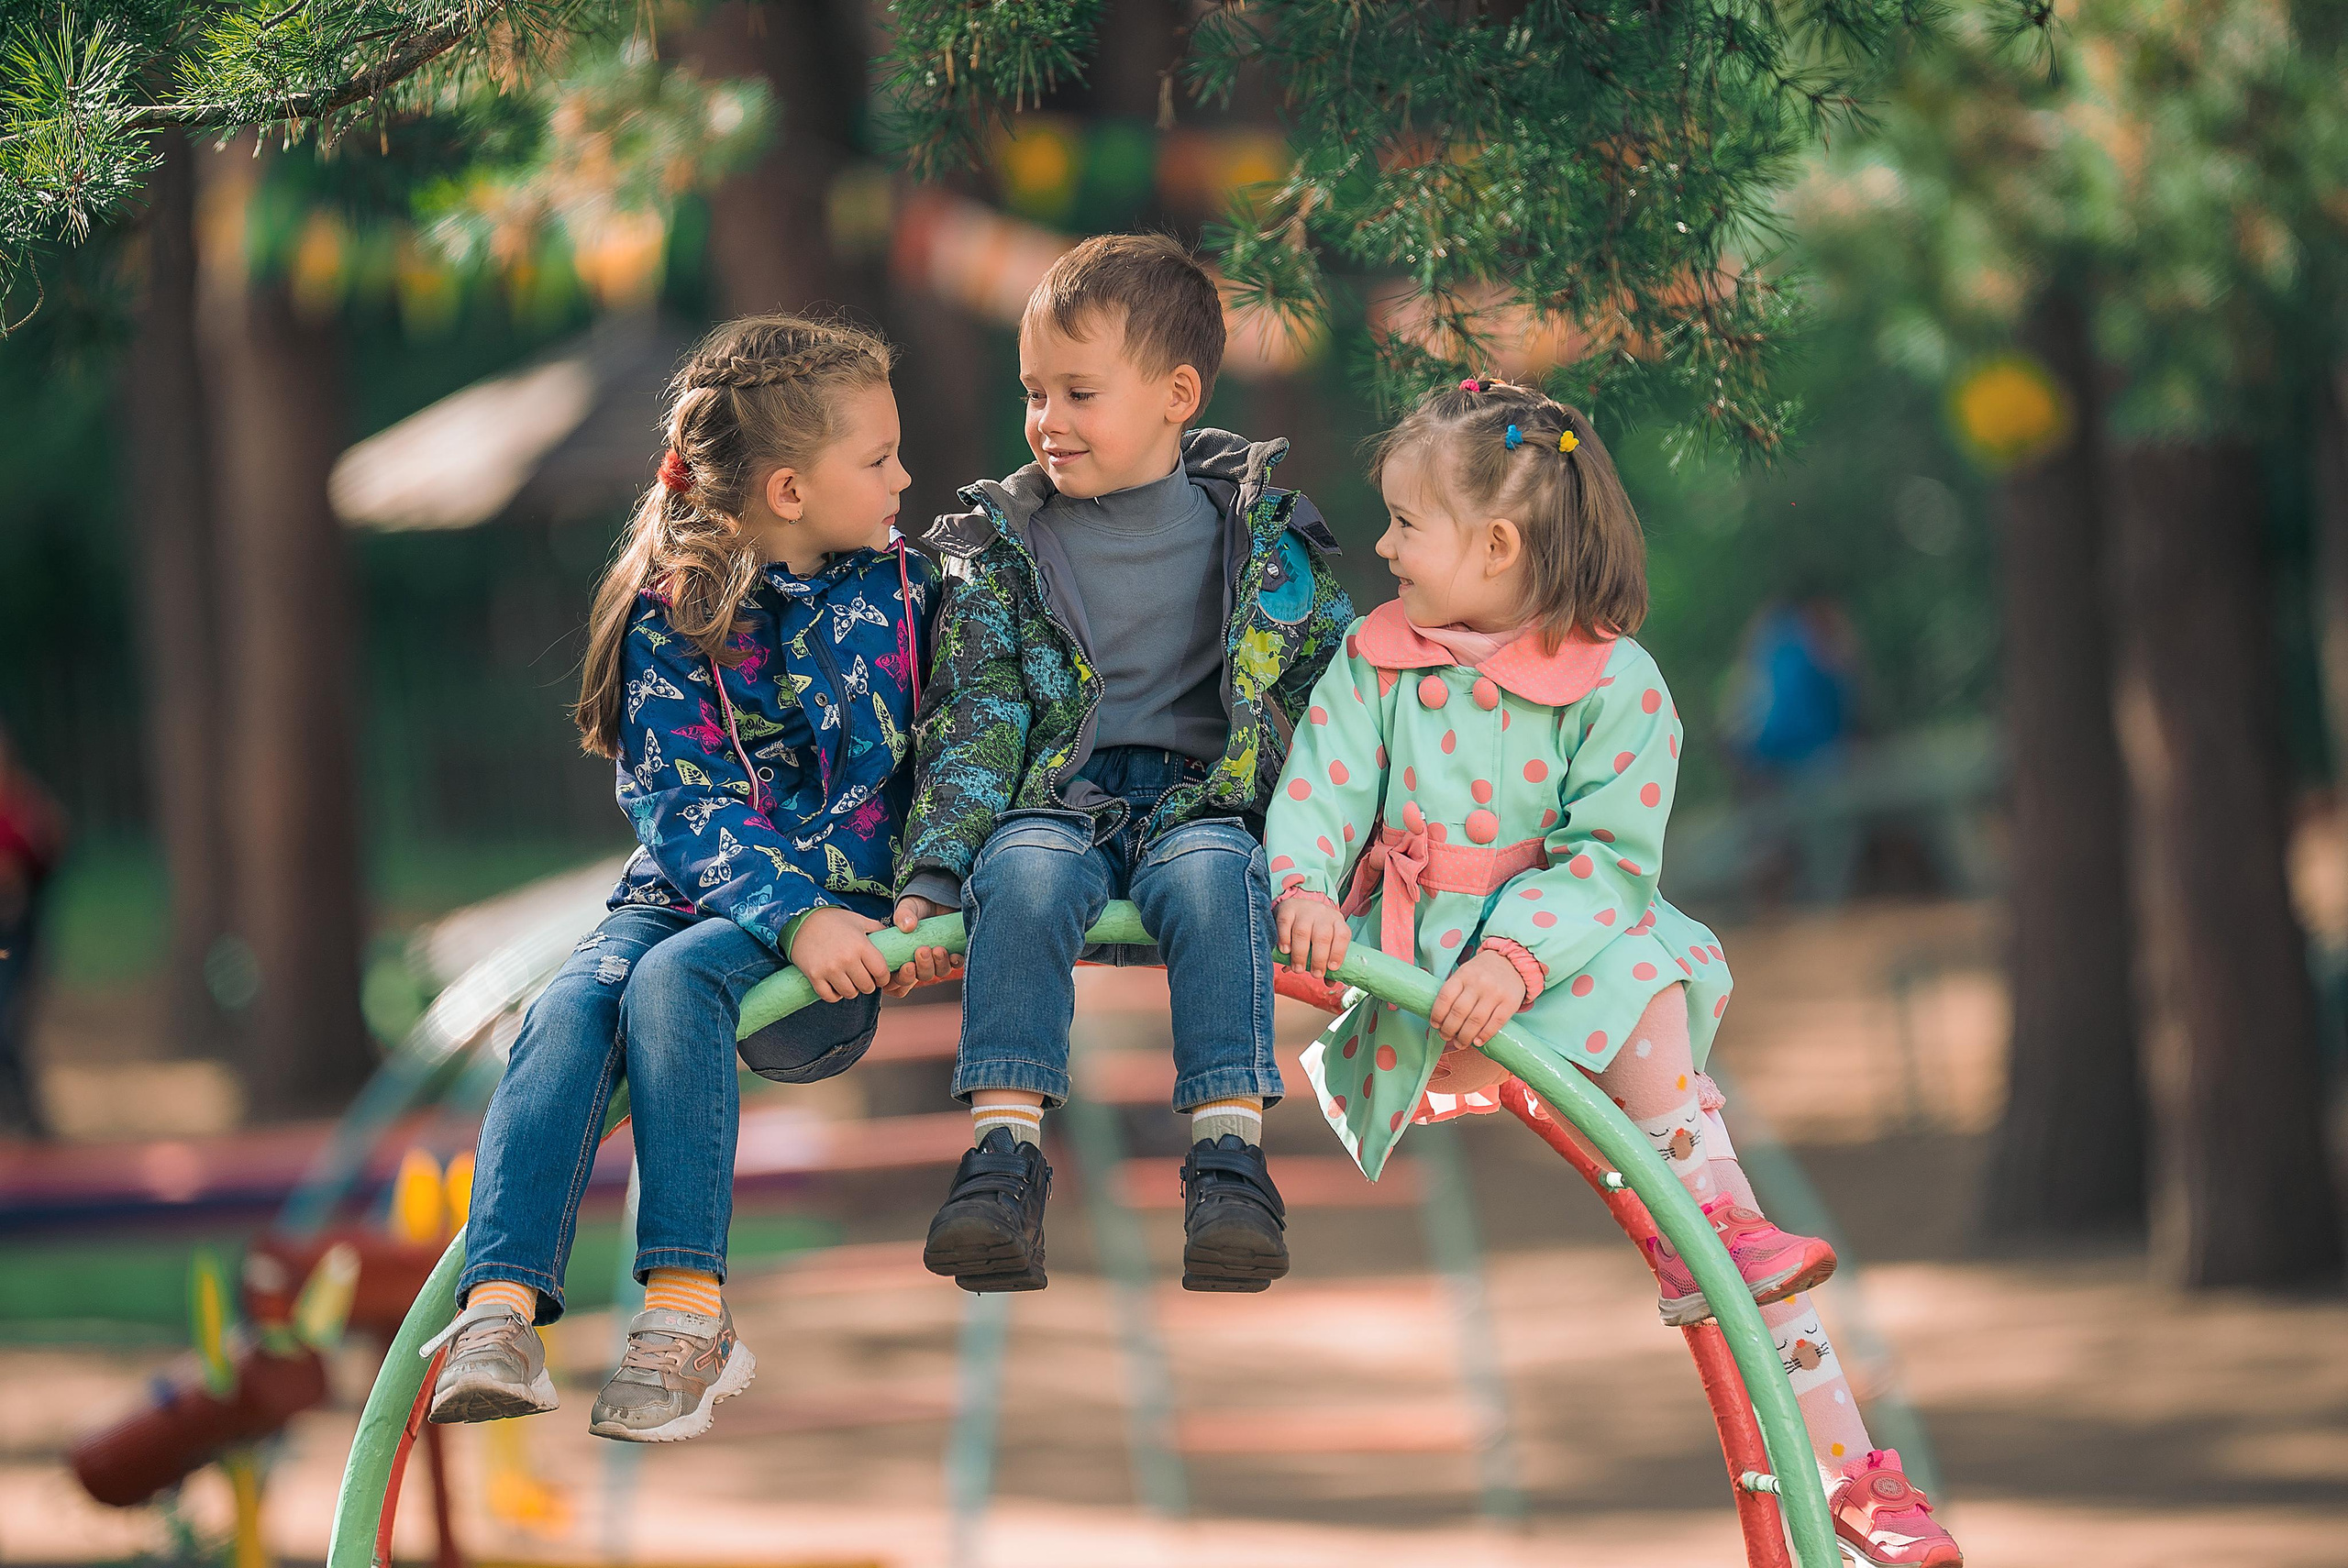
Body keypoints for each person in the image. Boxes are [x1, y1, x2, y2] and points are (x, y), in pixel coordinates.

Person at [1266, 379, 1962, 1566]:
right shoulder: (1376, 664)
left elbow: (1609, 863)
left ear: (1497, 543)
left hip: (1560, 970)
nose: (1378, 545)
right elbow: (1324, 787)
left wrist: (1514, 954)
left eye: (1402, 522)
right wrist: (1299, 887)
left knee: (1656, 988)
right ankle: (1713, 1226)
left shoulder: (1619, 685)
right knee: (1689, 1132)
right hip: (1414, 966)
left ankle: (1843, 1460)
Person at [424, 315, 953, 1443]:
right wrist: (789, 911)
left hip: (833, 926)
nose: (904, 477)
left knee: (672, 987)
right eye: (878, 459)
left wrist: (916, 899)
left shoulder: (918, 596)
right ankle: (499, 1310)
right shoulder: (676, 609)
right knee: (567, 1003)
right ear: (787, 489)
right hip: (695, 895)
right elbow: (677, 798)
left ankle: (686, 1312)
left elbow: (971, 749)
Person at [890, 234, 1352, 1295]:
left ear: (1175, 394)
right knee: (1026, 873)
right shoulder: (1005, 548)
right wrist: (935, 870)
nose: (1047, 420)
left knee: (1212, 874)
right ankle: (1002, 1160)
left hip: (1205, 802)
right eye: (1033, 392)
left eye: (1078, 392)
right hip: (1062, 802)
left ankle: (1229, 1160)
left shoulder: (1265, 541)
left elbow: (1338, 706)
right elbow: (979, 712)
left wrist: (1347, 860)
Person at [0, 725, 63, 1138]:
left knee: (8, 1022)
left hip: (15, 935)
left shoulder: (24, 807)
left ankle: (29, 1116)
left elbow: (50, 853)